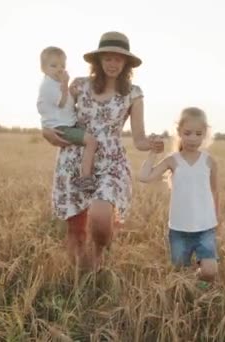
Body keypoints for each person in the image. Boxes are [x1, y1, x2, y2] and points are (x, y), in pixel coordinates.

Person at [42, 32, 164, 270]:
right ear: (98, 61)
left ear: (126, 63)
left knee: (100, 217)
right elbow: (55, 110)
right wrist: (45, 130)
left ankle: (99, 254)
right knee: (76, 227)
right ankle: (81, 275)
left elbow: (139, 139)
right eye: (107, 58)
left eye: (118, 59)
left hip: (111, 161)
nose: (112, 64)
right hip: (75, 159)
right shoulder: (79, 85)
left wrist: (153, 144)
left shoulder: (133, 93)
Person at [138, 107, 219, 284]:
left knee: (210, 271)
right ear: (179, 132)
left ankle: (198, 281)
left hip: (205, 227)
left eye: (198, 133)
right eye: (187, 133)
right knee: (179, 273)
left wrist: (217, 220)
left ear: (204, 134)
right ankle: (191, 296)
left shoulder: (209, 162)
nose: (192, 138)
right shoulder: (172, 160)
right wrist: (153, 152)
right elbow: (144, 177)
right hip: (179, 228)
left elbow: (214, 192)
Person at [37, 46, 98, 191]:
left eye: (62, 66)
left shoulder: (55, 83)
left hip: (67, 123)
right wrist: (66, 85)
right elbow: (61, 103)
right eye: (54, 65)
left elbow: (66, 103)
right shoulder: (48, 85)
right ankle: (85, 178)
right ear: (43, 68)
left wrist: (70, 91)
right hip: (63, 128)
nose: (59, 69)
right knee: (91, 141)